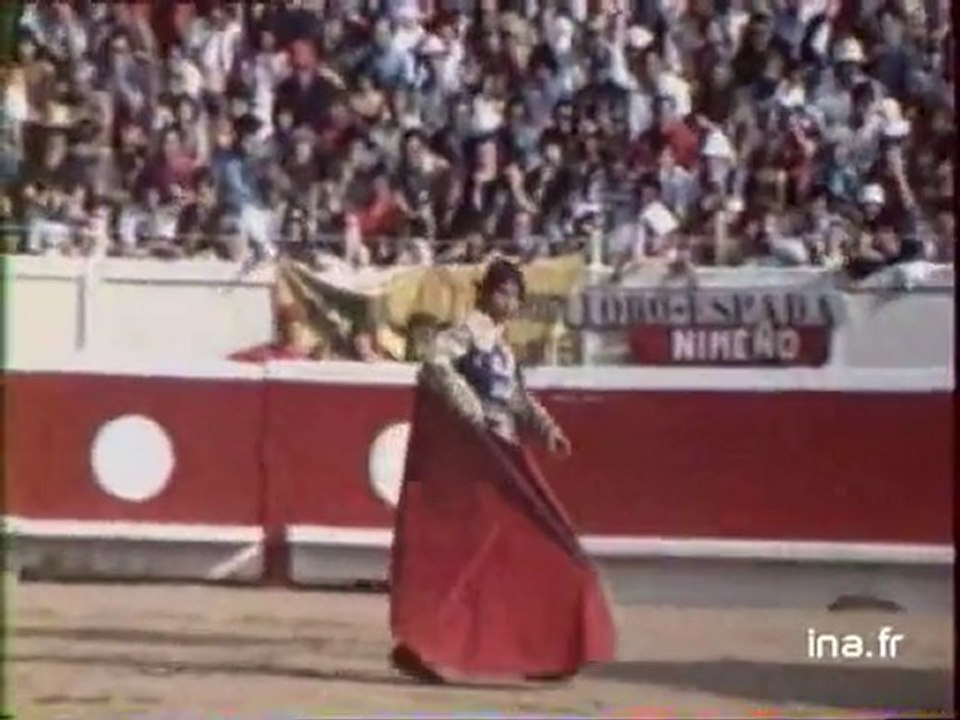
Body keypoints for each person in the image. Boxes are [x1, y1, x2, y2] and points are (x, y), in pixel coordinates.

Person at [388, 258, 616, 684]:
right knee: (475, 556)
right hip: (477, 463)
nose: (509, 302)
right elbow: (434, 364)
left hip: (503, 457)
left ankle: (547, 649)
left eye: (515, 295)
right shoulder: (465, 335)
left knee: (543, 545)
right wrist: (470, 409)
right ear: (486, 293)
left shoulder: (502, 346)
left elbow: (516, 398)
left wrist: (547, 430)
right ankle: (419, 645)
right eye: (502, 292)